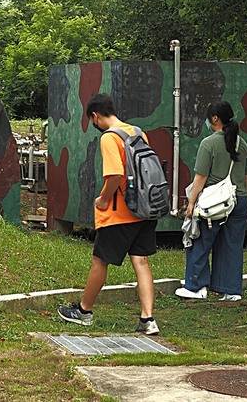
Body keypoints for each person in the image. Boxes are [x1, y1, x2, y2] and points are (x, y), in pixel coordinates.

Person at [58, 94, 160, 335]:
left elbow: (114, 175)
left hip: (120, 213)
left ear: (95, 116)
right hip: (144, 209)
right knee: (141, 261)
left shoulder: (109, 138)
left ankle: (84, 312)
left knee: (99, 261)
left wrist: (103, 199)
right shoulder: (137, 132)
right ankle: (148, 319)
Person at [176, 101, 247, 302]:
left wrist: (191, 203)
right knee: (232, 245)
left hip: (215, 203)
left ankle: (196, 286)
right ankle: (231, 290)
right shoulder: (242, 144)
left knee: (199, 240)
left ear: (215, 119)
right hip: (240, 200)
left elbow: (200, 178)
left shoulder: (209, 143)